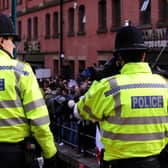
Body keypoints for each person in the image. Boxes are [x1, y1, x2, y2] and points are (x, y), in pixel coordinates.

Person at [74, 25, 168, 168]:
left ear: (119, 57)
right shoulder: (164, 85)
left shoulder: (108, 87)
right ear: (144, 55)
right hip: (157, 163)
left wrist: (101, 79)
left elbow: (79, 111)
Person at [0, 13, 58, 168]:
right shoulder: (22, 71)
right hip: (13, 155)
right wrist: (50, 153)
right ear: (1, 41)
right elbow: (39, 120)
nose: (13, 46)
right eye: (12, 41)